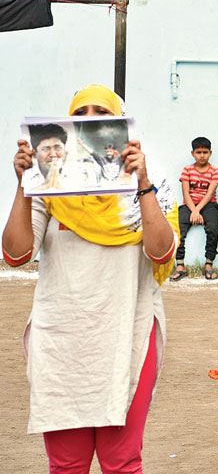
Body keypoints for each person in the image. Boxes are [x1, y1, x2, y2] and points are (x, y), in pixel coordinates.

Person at [2, 83, 179, 474]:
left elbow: (162, 250)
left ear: (120, 122)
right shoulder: (52, 185)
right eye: (79, 114)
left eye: (102, 112)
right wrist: (24, 185)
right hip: (62, 338)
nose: (90, 121)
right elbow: (16, 254)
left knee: (121, 462)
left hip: (127, 331)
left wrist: (143, 183)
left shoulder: (149, 181)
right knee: (66, 465)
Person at [171, 137, 218, 281]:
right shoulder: (187, 170)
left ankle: (208, 264)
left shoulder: (215, 171)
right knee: (177, 228)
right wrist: (193, 210)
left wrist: (197, 211)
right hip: (189, 205)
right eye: (198, 152)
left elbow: (209, 194)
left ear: (210, 153)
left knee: (213, 229)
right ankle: (180, 266)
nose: (202, 155)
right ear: (192, 153)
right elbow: (186, 193)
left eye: (205, 152)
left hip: (208, 205)